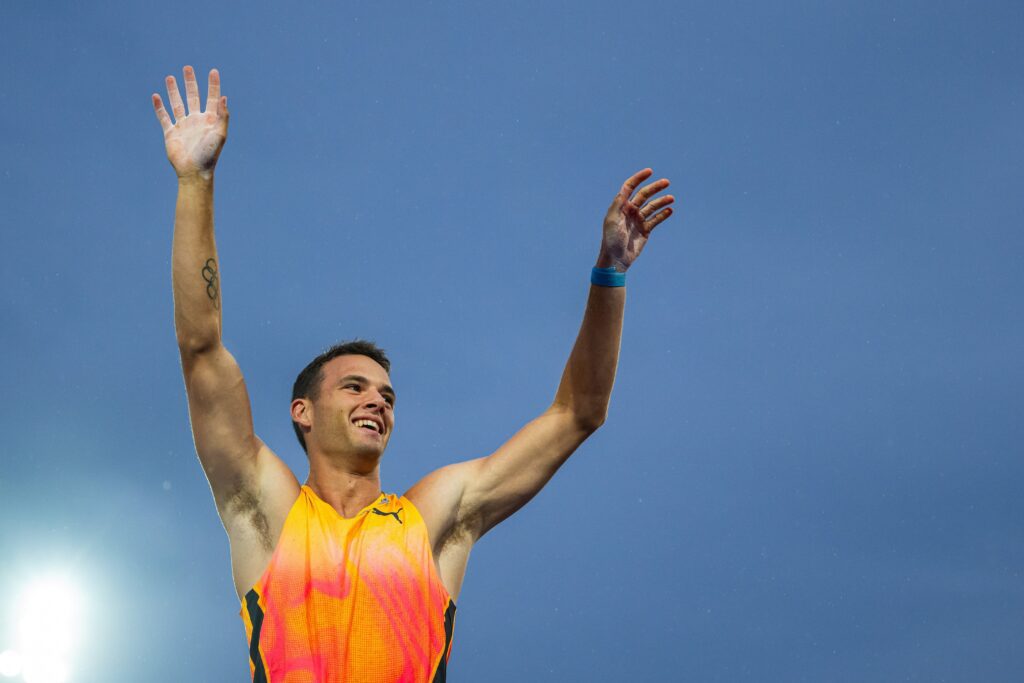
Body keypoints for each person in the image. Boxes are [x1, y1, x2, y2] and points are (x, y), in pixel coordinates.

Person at [152, 65, 675, 683]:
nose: (378, 401)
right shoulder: (268, 511)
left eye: (387, 395)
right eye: (354, 387)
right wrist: (195, 182)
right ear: (303, 412)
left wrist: (610, 273)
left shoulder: (431, 520)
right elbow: (201, 348)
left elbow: (578, 413)